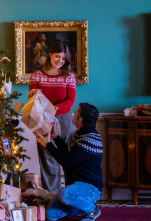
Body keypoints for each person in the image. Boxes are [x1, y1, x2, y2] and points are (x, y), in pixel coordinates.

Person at [27, 42, 76, 194]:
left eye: (63, 58)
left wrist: (55, 109)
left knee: (70, 159)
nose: (60, 61)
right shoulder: (36, 76)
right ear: (50, 54)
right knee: (48, 160)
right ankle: (52, 198)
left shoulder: (69, 77)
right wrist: (32, 95)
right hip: (43, 120)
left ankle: (71, 195)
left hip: (65, 120)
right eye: (58, 57)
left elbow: (70, 101)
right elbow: (33, 97)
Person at [43, 103, 103, 221]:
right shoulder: (78, 134)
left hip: (90, 188)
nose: (72, 114)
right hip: (75, 187)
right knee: (50, 214)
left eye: (75, 112)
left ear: (80, 119)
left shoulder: (89, 140)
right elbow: (71, 154)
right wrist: (56, 138)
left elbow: (66, 161)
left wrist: (48, 144)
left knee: (65, 194)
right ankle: (82, 209)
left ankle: (91, 208)